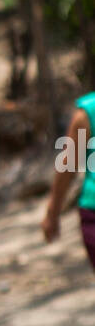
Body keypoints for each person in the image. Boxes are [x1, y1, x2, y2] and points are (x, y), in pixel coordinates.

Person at [41, 91, 95, 272]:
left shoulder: (88, 111)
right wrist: (52, 213)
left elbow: (68, 168)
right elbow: (68, 167)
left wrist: (52, 214)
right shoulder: (87, 113)